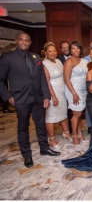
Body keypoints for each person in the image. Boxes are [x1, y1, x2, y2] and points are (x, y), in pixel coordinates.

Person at [0, 32, 60, 168]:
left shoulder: (36, 57)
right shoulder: (8, 58)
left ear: (30, 42)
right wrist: (8, 97)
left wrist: (46, 96)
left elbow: (42, 78)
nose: (24, 42)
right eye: (22, 40)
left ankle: (44, 148)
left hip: (38, 98)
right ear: (17, 41)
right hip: (20, 99)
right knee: (23, 128)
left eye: (27, 40)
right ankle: (26, 155)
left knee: (40, 125)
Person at [43, 42, 71, 148]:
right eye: (50, 51)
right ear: (46, 52)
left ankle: (66, 132)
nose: (53, 53)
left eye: (54, 51)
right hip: (52, 91)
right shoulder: (44, 64)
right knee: (51, 116)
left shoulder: (59, 61)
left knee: (63, 113)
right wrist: (53, 96)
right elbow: (47, 82)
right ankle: (51, 139)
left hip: (62, 91)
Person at [63, 41, 88, 145]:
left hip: (83, 90)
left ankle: (79, 133)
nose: (76, 50)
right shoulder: (69, 61)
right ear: (70, 50)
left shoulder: (84, 61)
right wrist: (74, 93)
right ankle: (74, 136)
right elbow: (66, 79)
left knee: (80, 113)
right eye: (73, 48)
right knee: (76, 114)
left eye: (77, 48)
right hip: (73, 90)